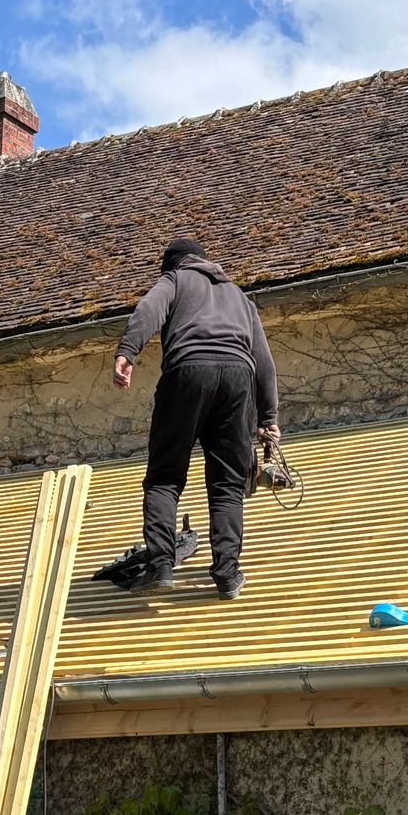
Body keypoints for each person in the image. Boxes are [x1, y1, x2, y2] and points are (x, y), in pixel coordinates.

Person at [113, 237, 279, 600]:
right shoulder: (238, 295)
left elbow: (148, 310)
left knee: (164, 477)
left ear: (172, 265)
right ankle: (227, 574)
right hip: (238, 379)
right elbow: (263, 359)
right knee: (227, 485)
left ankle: (160, 565)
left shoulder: (174, 280)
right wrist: (268, 417)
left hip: (187, 373)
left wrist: (128, 352)